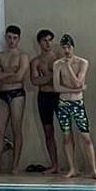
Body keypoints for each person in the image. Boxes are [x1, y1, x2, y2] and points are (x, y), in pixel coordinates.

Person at [52, 34, 96, 180]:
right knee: (66, 136)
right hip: (63, 103)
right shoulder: (57, 64)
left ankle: (93, 170)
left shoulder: (82, 62)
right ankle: (72, 168)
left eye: (69, 47)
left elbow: (77, 83)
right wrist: (76, 89)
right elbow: (56, 87)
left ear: (73, 47)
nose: (66, 51)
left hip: (77, 103)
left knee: (86, 136)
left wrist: (68, 67)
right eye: (64, 48)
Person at [0, 25, 30, 175]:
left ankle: (15, 165)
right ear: (6, 38)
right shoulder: (0, 55)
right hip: (3, 94)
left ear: (19, 39)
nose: (12, 41)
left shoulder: (23, 56)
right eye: (9, 37)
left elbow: (19, 77)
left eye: (15, 38)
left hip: (17, 94)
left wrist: (3, 75)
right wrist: (9, 74)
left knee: (16, 128)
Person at [30, 29, 61, 174]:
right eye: (44, 40)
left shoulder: (59, 59)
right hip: (44, 97)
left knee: (67, 131)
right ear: (39, 43)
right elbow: (35, 81)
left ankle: (72, 165)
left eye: (50, 40)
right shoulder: (36, 62)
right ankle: (54, 165)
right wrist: (51, 76)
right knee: (48, 132)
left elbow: (63, 78)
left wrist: (45, 78)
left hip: (59, 96)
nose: (48, 43)